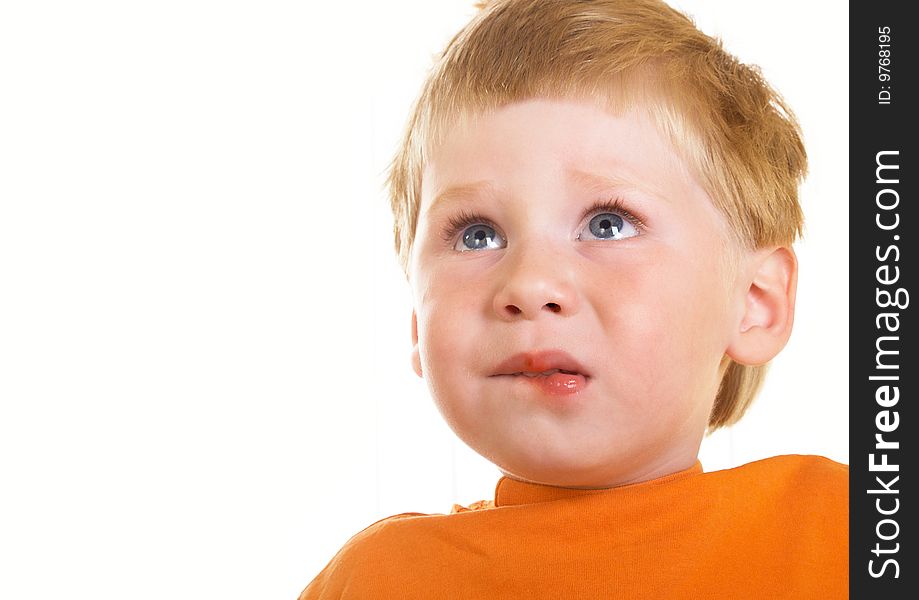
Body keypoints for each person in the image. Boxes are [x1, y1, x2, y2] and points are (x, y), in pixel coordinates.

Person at [300, 0, 847, 597]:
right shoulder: (377, 582)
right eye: (477, 234)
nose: (530, 285)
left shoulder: (843, 533)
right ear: (415, 319)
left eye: (609, 223)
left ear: (755, 300)